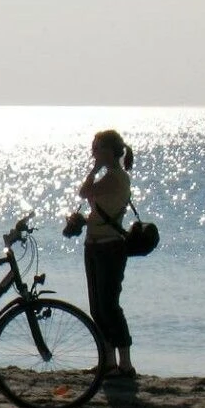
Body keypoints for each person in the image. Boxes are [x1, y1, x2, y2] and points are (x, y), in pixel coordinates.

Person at [71, 129, 136, 376]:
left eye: (97, 148)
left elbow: (84, 192)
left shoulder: (116, 177)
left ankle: (125, 363)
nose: (93, 153)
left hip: (110, 246)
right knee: (97, 307)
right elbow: (94, 201)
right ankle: (108, 360)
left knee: (109, 305)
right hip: (95, 244)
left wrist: (93, 170)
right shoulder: (110, 176)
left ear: (109, 151)